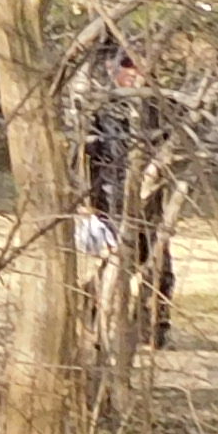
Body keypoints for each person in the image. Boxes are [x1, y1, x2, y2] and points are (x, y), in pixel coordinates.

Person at [81, 36, 180, 354]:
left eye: (139, 66)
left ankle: (153, 331)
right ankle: (92, 315)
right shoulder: (102, 110)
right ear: (114, 69)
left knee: (158, 267)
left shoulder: (160, 108)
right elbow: (91, 158)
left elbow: (171, 150)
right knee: (117, 263)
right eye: (127, 65)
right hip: (112, 198)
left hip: (151, 199)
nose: (134, 72)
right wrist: (89, 203)